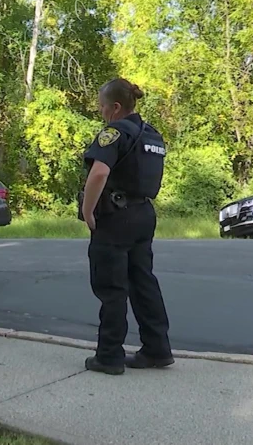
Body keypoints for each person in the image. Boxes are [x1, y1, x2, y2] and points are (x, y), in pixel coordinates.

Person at [80, 77, 173, 375]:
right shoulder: (153, 136)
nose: (101, 112)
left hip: (115, 217)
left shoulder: (115, 132)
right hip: (144, 214)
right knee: (143, 282)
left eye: (103, 107)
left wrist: (88, 210)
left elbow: (99, 174)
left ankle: (109, 356)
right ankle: (157, 350)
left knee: (112, 287)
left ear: (116, 107)